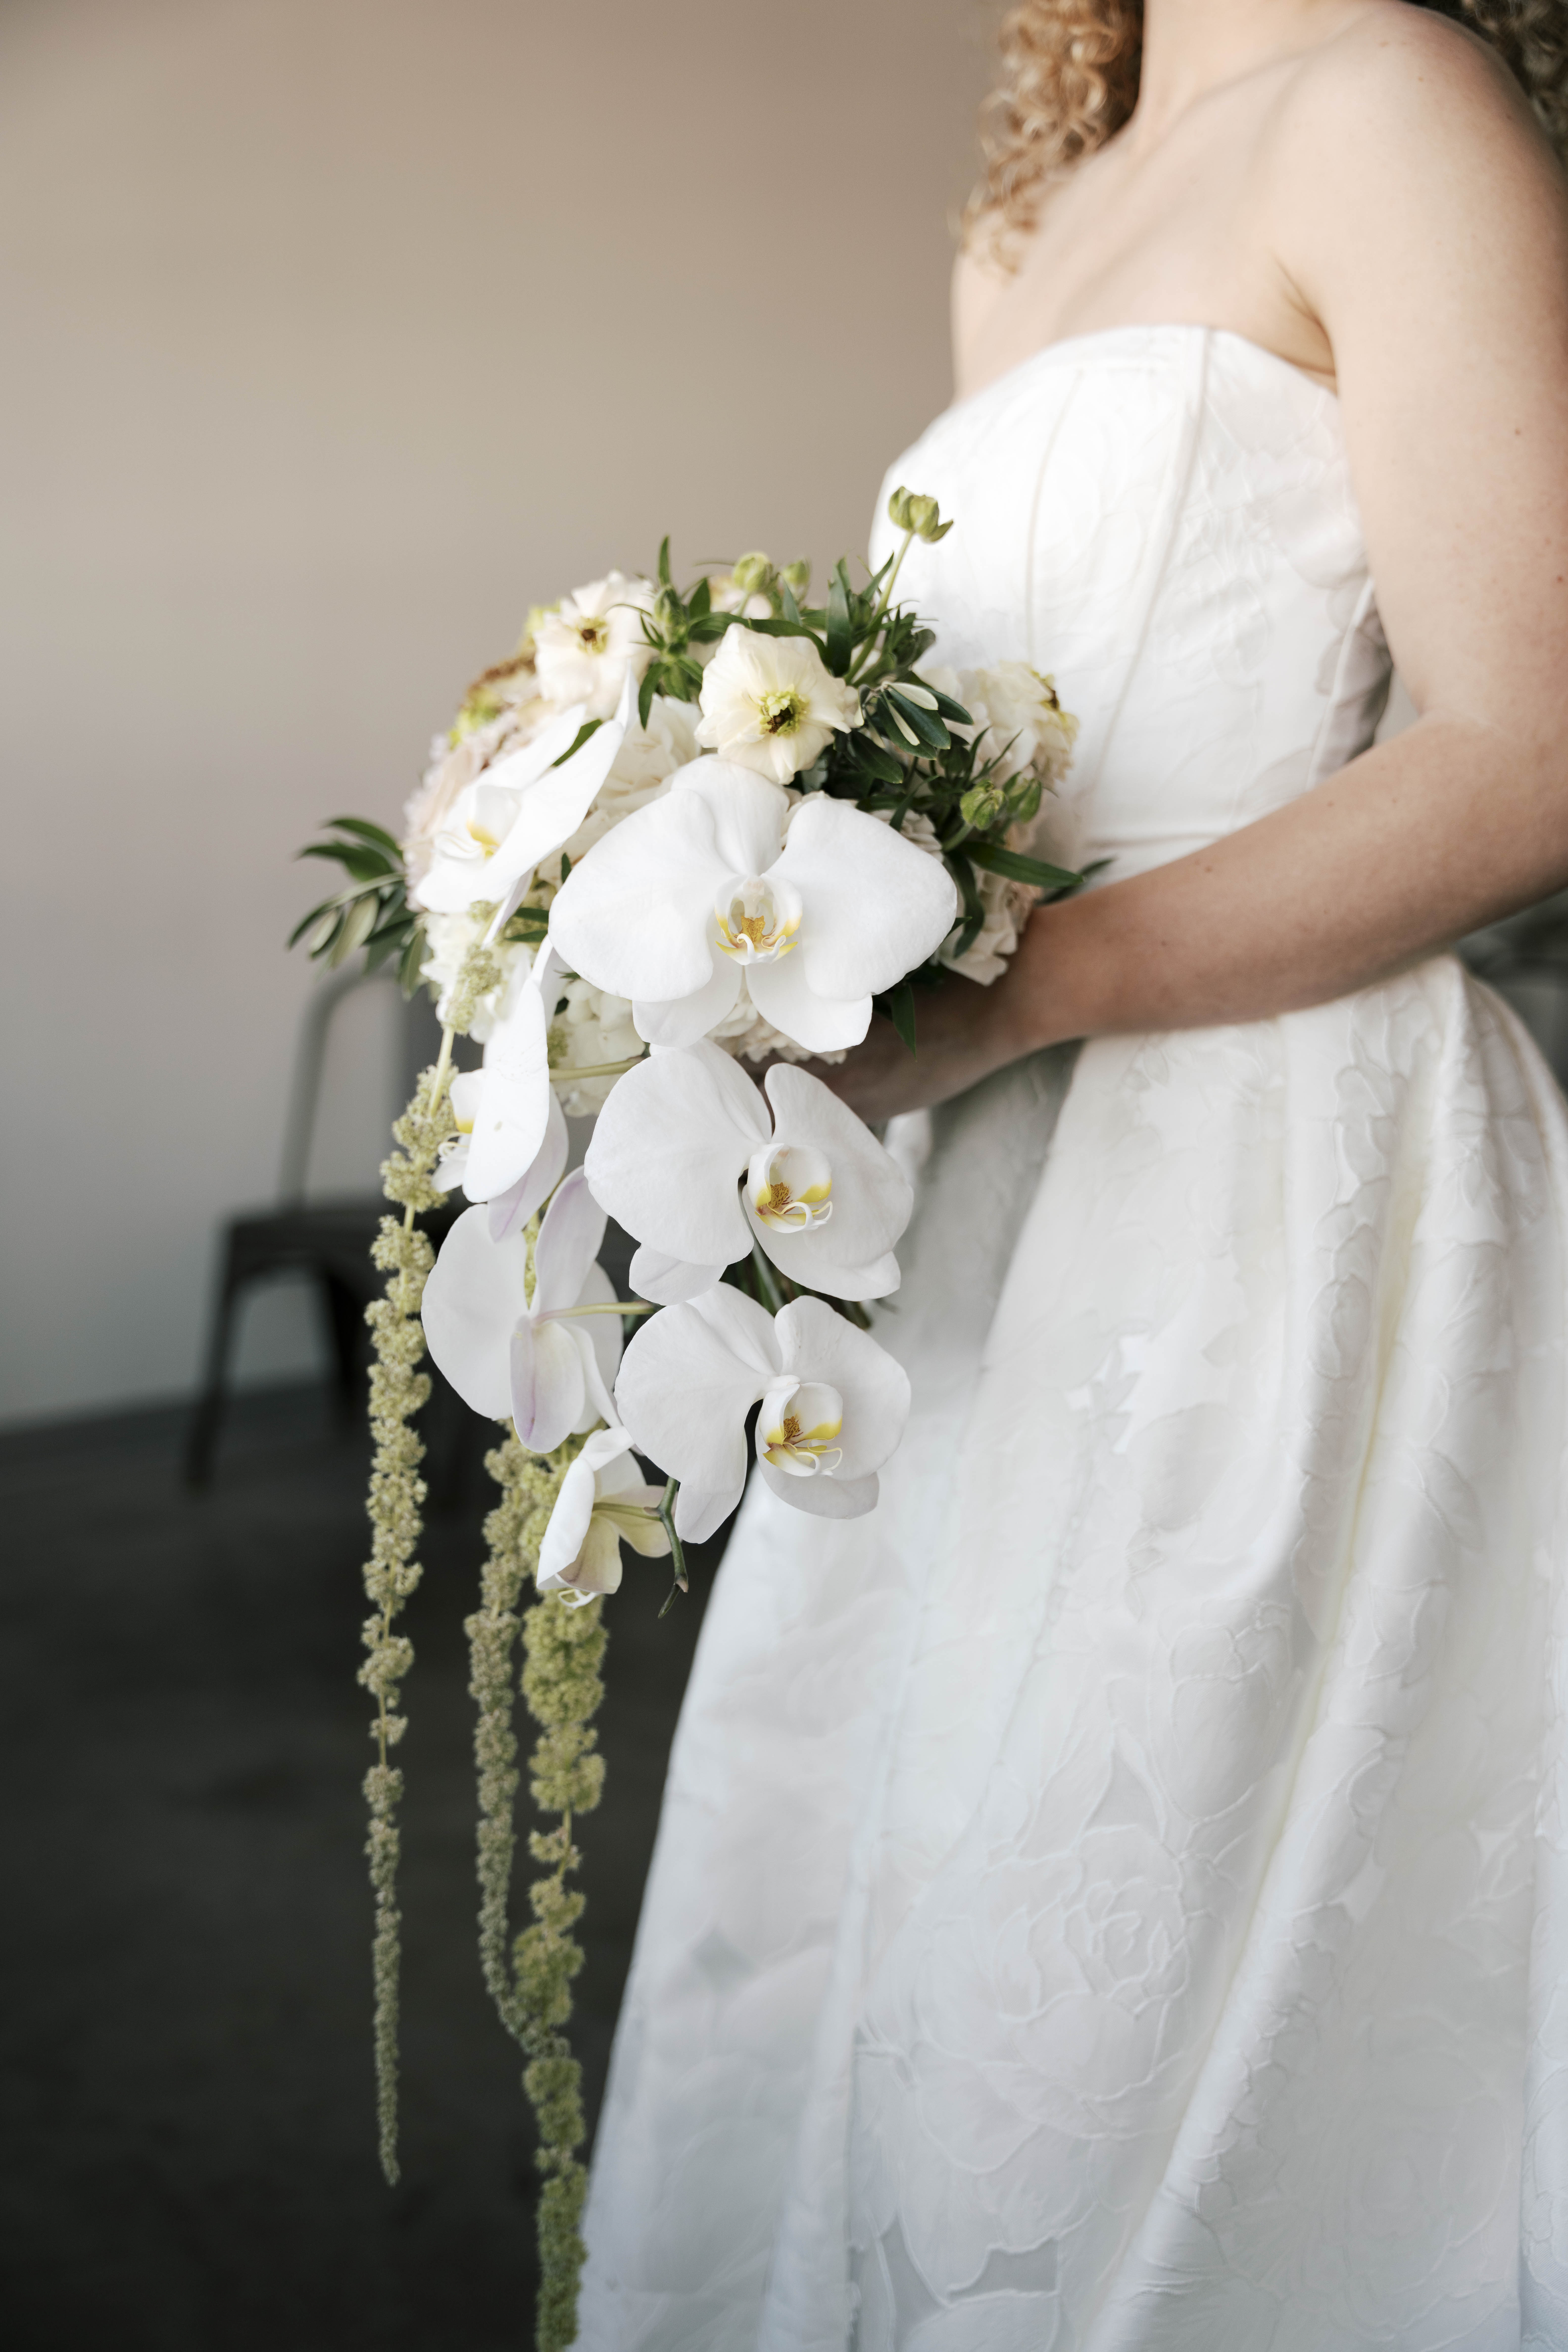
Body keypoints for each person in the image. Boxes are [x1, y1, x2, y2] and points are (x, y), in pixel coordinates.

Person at [580, 3, 1568, 2343]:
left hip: (1297, 1185)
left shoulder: (1396, 95)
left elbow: (1533, 744)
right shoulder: (1019, 233)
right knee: (938, 1942)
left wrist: (1027, 992)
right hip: (992, 1232)